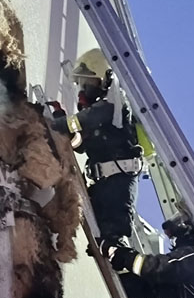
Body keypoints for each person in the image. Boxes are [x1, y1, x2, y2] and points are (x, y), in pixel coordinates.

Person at [51, 48, 142, 244]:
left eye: (88, 82)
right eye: (81, 84)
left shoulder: (114, 105)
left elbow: (80, 121)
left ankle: (126, 268)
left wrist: (48, 123)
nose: (83, 89)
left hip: (118, 187)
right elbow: (79, 144)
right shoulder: (99, 113)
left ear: (105, 79)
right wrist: (60, 119)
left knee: (112, 239)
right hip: (102, 183)